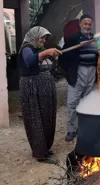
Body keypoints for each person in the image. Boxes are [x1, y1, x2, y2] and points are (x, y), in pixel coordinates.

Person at [18, 26, 61, 164]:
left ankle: (45, 148)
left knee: (45, 118)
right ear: (34, 37)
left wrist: (50, 56)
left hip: (43, 90)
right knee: (36, 119)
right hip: (32, 89)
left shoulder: (38, 49)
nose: (44, 40)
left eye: (45, 38)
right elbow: (30, 61)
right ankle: (40, 153)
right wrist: (47, 52)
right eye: (42, 37)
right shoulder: (27, 48)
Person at [59, 14, 99, 141]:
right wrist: (69, 73)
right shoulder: (73, 39)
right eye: (85, 24)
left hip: (92, 73)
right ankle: (71, 130)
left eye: (89, 24)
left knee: (88, 102)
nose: (87, 26)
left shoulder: (95, 39)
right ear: (80, 25)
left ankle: (85, 128)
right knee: (72, 104)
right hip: (77, 73)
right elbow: (63, 57)